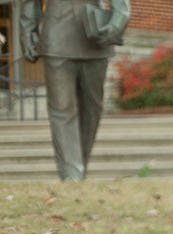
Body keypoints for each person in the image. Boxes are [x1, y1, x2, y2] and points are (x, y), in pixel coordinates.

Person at [20, 0, 130, 183]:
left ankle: (78, 169)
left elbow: (121, 5)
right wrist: (27, 33)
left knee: (91, 110)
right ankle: (72, 174)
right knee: (62, 109)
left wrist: (117, 22)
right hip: (57, 37)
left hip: (96, 35)